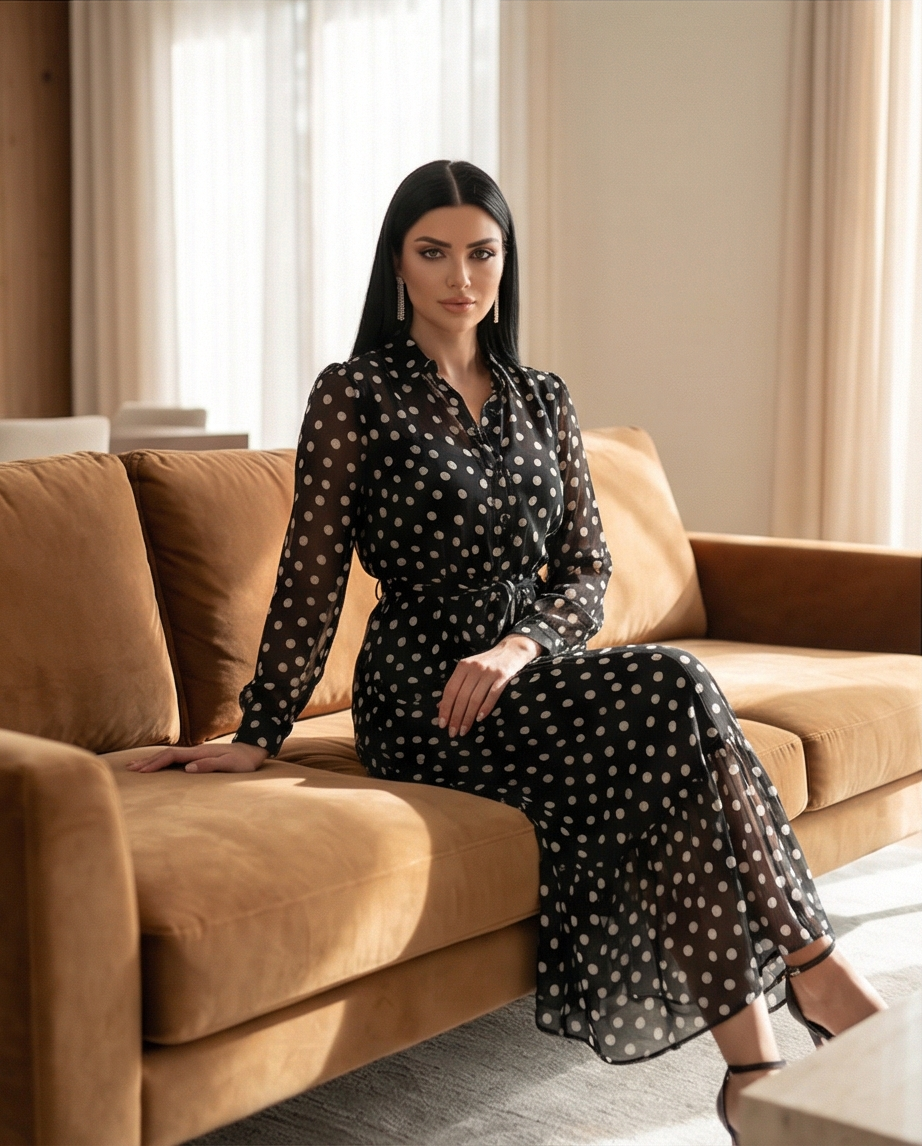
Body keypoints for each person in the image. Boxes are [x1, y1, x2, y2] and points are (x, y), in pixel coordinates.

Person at [130, 159, 885, 1143]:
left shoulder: (542, 398)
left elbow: (585, 572)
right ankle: (813, 980)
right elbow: (309, 576)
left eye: (482, 253)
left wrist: (520, 645)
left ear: (505, 261)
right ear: (397, 264)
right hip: (421, 697)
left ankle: (754, 1069)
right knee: (674, 687)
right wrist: (257, 731)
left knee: (671, 730)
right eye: (434, 252)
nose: (461, 277)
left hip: (527, 673)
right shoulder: (355, 393)